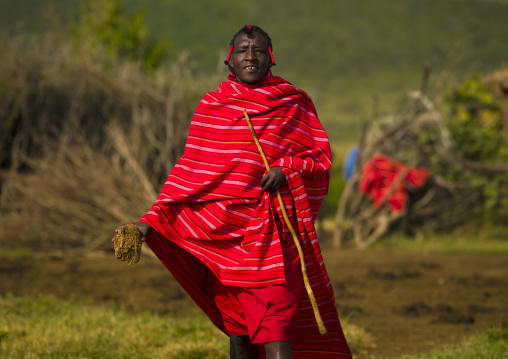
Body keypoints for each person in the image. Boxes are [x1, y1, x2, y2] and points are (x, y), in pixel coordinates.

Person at [113, 25, 351, 359]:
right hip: (223, 242)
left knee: (275, 329)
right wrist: (147, 224)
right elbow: (190, 176)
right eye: (242, 50)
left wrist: (288, 169)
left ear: (270, 57)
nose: (250, 57)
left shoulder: (292, 105)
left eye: (257, 50)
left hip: (274, 237)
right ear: (230, 58)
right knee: (238, 333)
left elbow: (319, 158)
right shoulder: (212, 108)